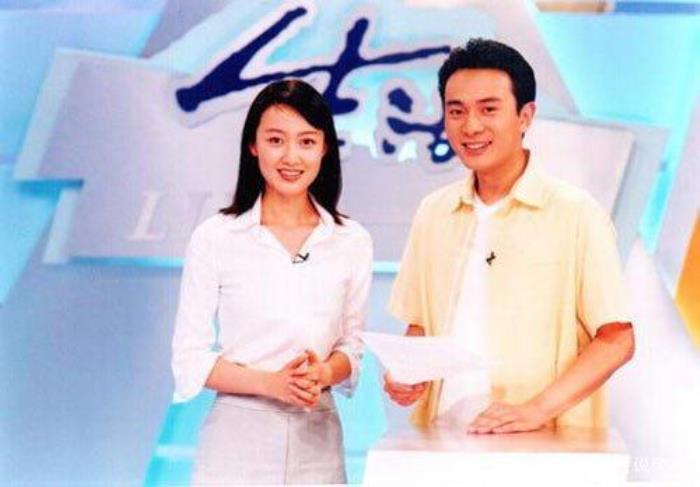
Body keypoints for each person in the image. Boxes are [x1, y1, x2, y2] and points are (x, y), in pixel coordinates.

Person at [384, 38, 635, 434]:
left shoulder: (576, 213)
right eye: (456, 111)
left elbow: (617, 339)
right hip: (444, 438)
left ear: (525, 116)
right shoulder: (433, 212)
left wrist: (537, 410)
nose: (471, 126)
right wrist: (406, 373)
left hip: (542, 443)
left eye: (489, 109)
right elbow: (420, 327)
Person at [171, 79, 373, 484]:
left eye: (307, 142)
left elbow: (351, 349)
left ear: (325, 148)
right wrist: (272, 384)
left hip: (317, 433)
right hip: (237, 437)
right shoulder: (216, 236)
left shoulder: (351, 240)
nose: (291, 157)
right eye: (276, 140)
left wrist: (323, 374)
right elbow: (189, 358)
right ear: (253, 145)